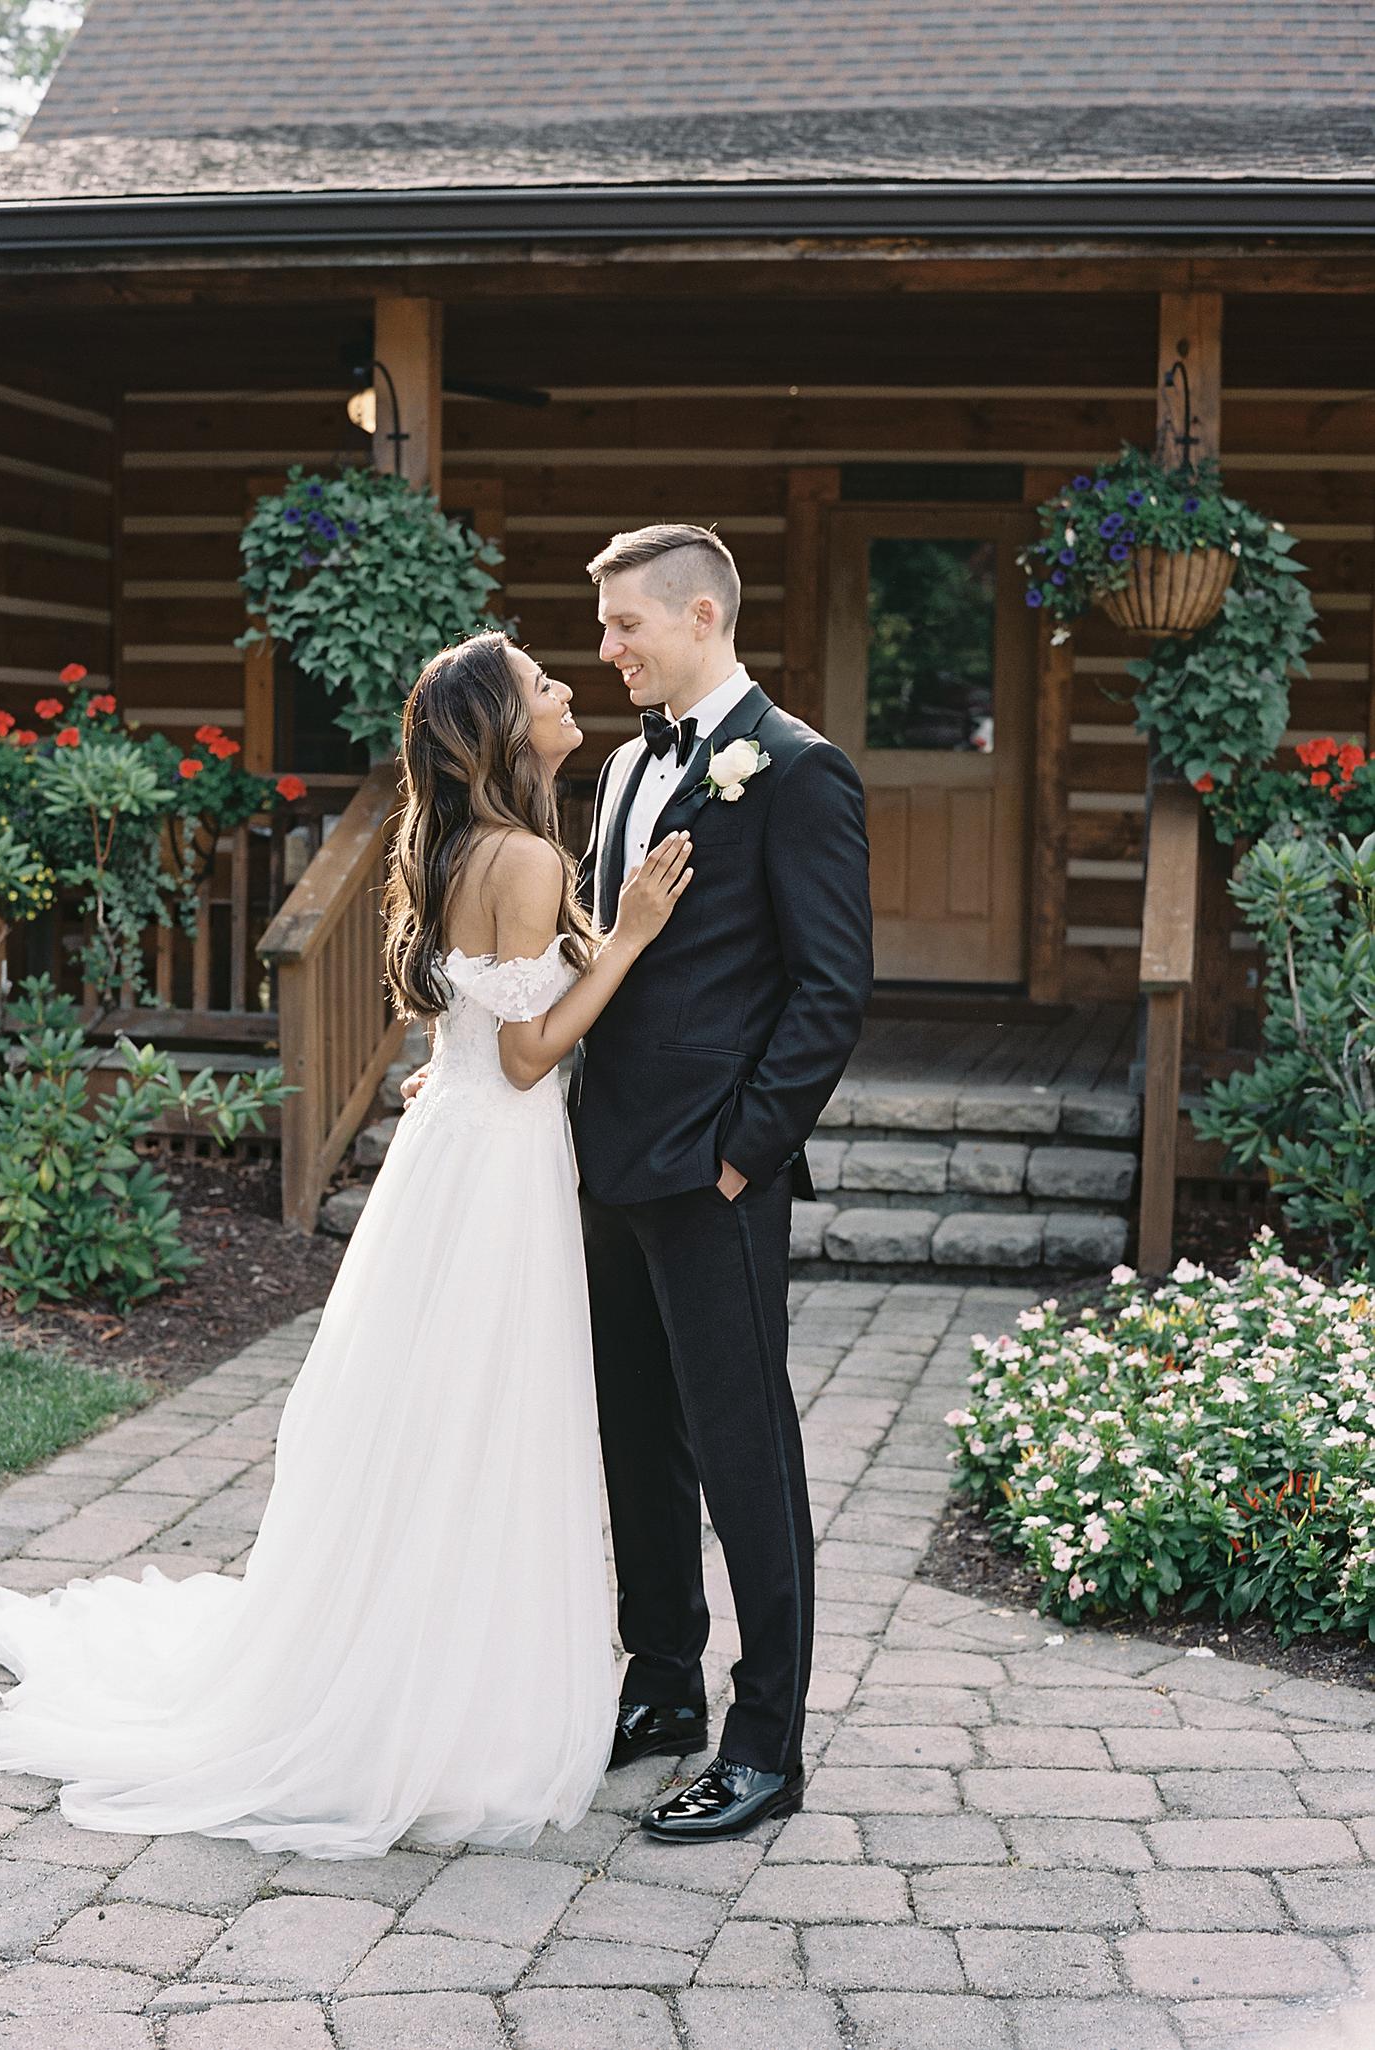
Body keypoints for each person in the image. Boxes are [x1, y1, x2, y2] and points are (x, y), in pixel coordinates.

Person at [0, 629, 693, 1859]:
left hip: (460, 1157)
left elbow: (472, 1030)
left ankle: (424, 1659)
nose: (567, 689)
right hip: (496, 1169)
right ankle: (449, 1705)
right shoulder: (518, 852)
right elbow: (521, 1052)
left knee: (439, 1418)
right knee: (485, 1420)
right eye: (541, 685)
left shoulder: (479, 846)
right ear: (502, 728)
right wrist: (628, 938)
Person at [570, 523, 874, 1843]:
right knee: (636, 1437)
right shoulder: (622, 768)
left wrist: (746, 1149)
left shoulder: (800, 773)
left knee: (747, 1457)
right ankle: (663, 1686)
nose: (606, 647)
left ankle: (766, 1740)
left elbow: (829, 990)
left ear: (701, 616)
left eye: (626, 623)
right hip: (601, 1159)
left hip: (714, 1177)